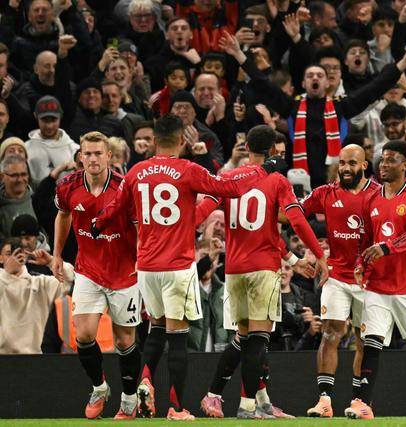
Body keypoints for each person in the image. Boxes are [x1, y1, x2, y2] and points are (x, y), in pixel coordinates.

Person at [94, 115, 281, 420]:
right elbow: (228, 187)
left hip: (147, 266)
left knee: (155, 329)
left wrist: (97, 224)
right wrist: (263, 169)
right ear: (182, 140)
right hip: (178, 265)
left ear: (155, 141)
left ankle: (144, 381)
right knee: (177, 338)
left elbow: (114, 208)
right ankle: (177, 408)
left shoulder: (136, 172)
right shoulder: (188, 170)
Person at [199, 125, 328, 419]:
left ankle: (252, 401)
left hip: (234, 269)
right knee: (258, 339)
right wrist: (318, 255)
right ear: (271, 151)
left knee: (244, 337)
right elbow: (296, 221)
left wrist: (293, 259)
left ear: (247, 148)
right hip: (262, 268)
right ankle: (248, 407)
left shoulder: (229, 178)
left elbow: (259, 228)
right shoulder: (276, 181)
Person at [219, 31, 406, 188]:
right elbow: (262, 83)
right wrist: (238, 53)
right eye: (310, 76)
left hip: (336, 178)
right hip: (299, 179)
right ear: (303, 83)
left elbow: (374, 88)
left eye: (319, 75)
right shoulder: (291, 106)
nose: (315, 78)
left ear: (328, 83)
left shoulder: (341, 106)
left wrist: (403, 63)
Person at [51, 131, 141, 420]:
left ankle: (129, 398)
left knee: (124, 341)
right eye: (87, 153)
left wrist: (142, 259)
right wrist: (56, 253)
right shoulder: (68, 186)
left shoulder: (124, 188)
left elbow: (139, 226)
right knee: (84, 334)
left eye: (98, 153)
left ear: (109, 156)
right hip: (88, 269)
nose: (92, 158)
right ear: (80, 157)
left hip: (124, 272)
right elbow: (63, 216)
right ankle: (99, 387)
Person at [348, 140, 406, 420]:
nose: (384, 164)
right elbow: (364, 239)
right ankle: (363, 403)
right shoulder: (371, 198)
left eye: (391, 160)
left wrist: (387, 247)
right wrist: (361, 264)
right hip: (378, 285)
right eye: (382, 159)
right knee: (371, 342)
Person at [301, 144, 380, 418]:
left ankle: (359, 401)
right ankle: (324, 401)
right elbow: (292, 214)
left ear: (364, 165)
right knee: (330, 332)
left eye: (352, 163)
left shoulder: (378, 194)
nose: (346, 168)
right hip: (336, 276)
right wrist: (314, 252)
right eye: (342, 163)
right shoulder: (325, 193)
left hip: (369, 281)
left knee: (364, 340)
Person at [0, 239, 74, 354]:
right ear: (1, 258)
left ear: (24, 256)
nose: (14, 258)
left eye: (18, 253)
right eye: (9, 254)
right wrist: (7, 274)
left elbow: (70, 280)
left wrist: (51, 261)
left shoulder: (40, 284)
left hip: (35, 358)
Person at [0, 155, 35, 238]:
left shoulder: (38, 200)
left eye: (23, 174)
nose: (20, 179)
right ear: (2, 177)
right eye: (14, 175)